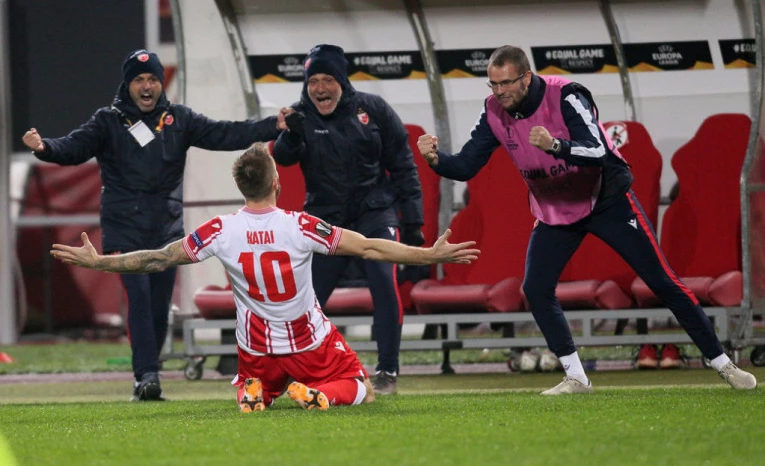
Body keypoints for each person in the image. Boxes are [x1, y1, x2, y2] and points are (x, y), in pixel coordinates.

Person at [416, 45, 757, 395]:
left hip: (605, 201)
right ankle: (577, 377)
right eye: (493, 84)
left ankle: (723, 364)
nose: (499, 91)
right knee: (535, 288)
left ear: (526, 77)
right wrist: (435, 159)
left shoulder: (566, 95)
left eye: (506, 83)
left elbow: (597, 149)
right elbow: (465, 166)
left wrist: (556, 146)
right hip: (555, 210)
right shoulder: (492, 110)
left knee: (662, 280)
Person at [50, 144, 480, 411]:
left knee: (256, 382)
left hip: (255, 349)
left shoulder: (219, 230)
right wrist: (429, 253)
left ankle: (252, 392)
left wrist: (101, 262)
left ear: (241, 186)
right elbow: (369, 247)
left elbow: (159, 259)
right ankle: (323, 396)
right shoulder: (301, 225)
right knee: (360, 386)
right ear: (276, 182)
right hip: (307, 342)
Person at [22, 49, 284, 402]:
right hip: (125, 228)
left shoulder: (180, 119)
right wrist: (44, 148)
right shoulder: (108, 121)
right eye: (139, 80)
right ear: (127, 84)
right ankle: (145, 375)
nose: (146, 86)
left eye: (152, 79)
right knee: (141, 301)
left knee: (160, 307)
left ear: (161, 83)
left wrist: (272, 126)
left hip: (165, 230)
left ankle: (149, 373)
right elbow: (73, 147)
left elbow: (226, 134)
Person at [271, 44, 425, 395]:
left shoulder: (373, 109)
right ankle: (294, 370)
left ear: (342, 80)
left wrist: (413, 222)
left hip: (375, 213)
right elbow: (282, 156)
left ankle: (387, 371)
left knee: (384, 283)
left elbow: (403, 164)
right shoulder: (299, 115)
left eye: (328, 80)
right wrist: (290, 134)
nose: (320, 88)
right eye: (313, 81)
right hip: (326, 221)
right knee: (308, 299)